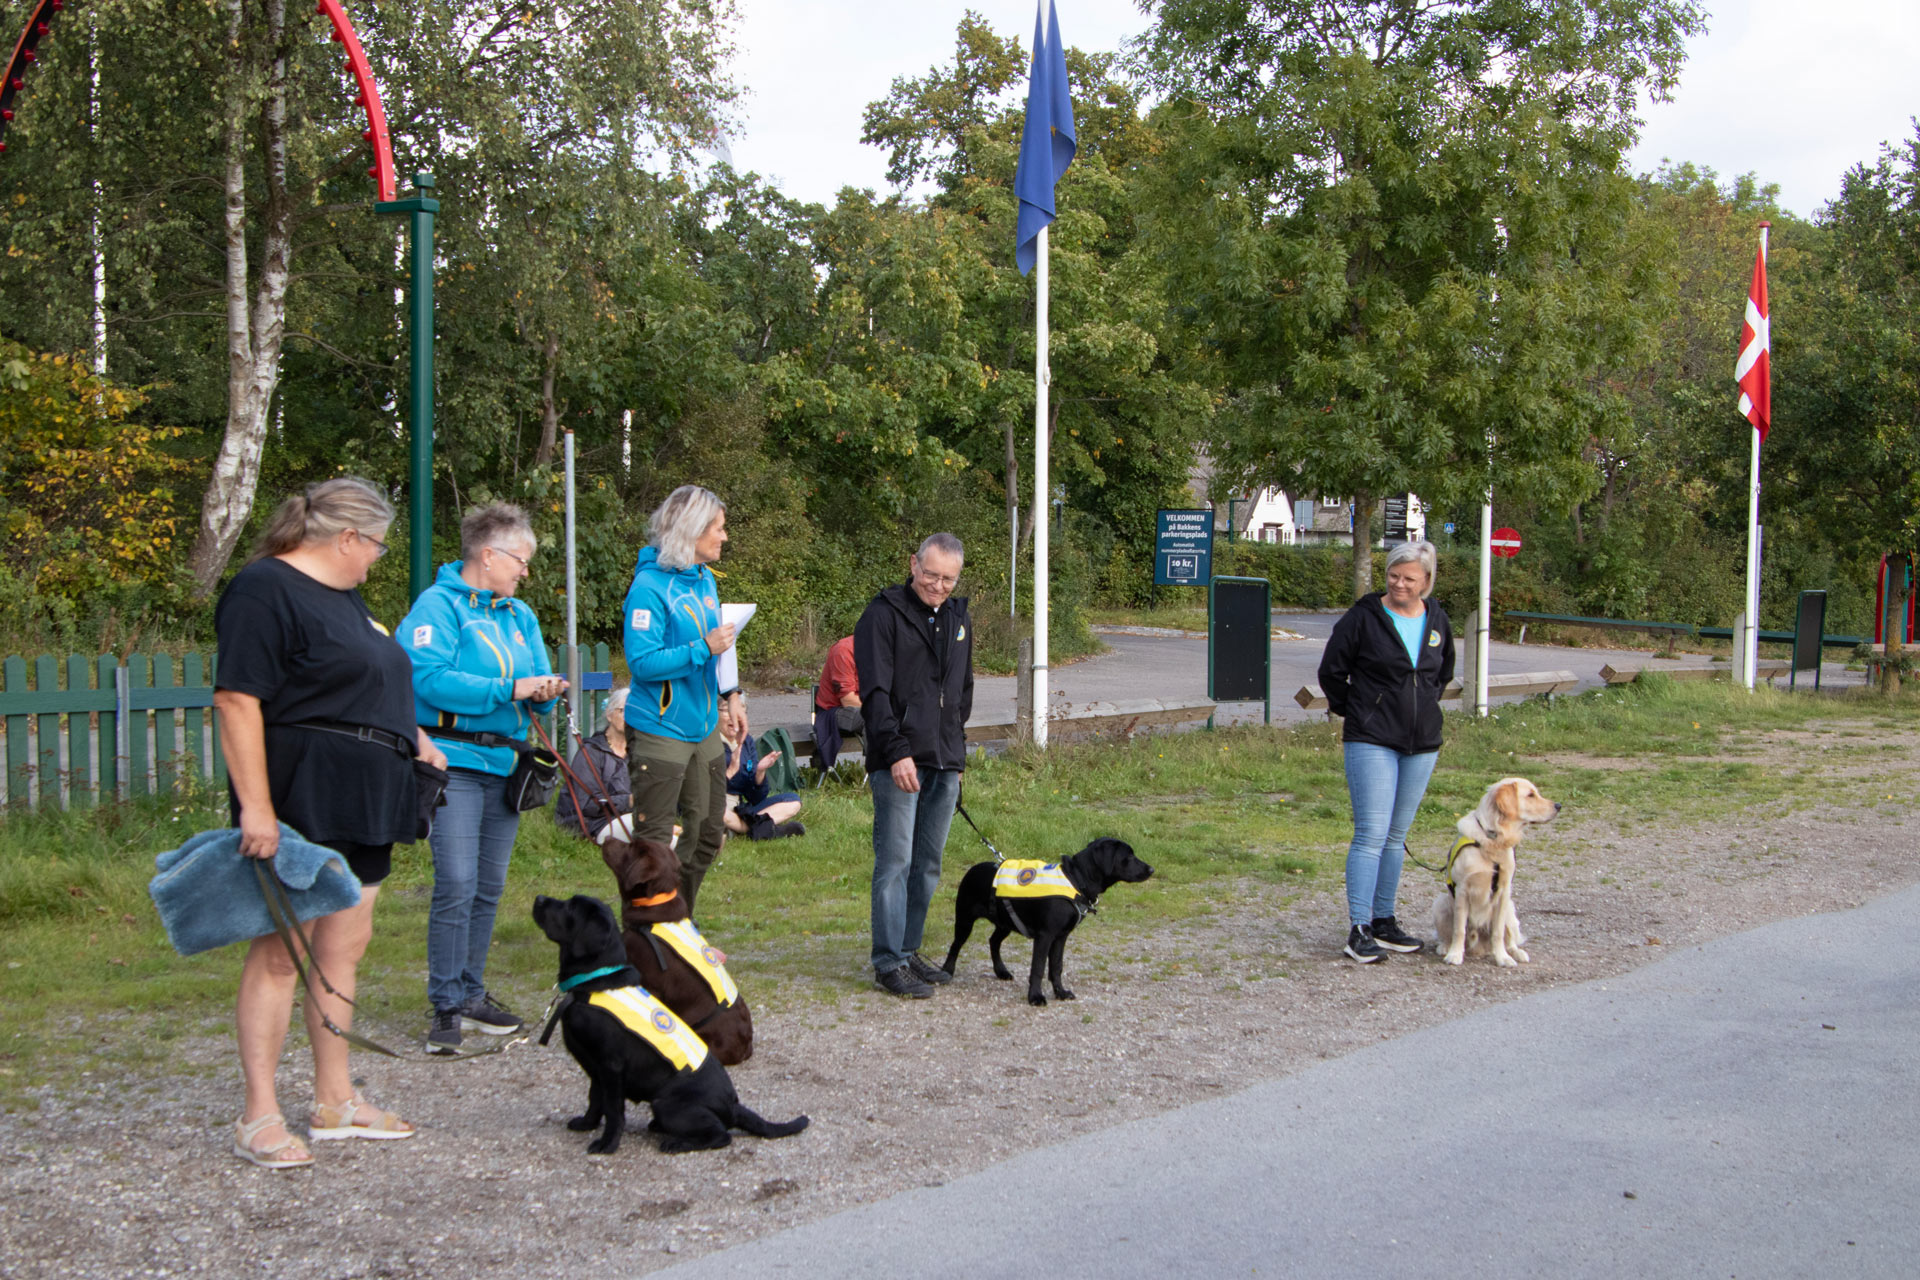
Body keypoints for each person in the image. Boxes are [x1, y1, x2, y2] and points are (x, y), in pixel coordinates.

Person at [213, 477, 449, 1169]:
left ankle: (334, 1100)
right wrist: (256, 807)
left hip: (369, 792)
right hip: (300, 791)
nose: (377, 558)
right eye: (375, 544)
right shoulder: (263, 590)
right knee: (282, 951)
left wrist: (413, 735)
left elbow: (366, 679)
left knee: (345, 946)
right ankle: (258, 1114)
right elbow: (236, 701)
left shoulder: (348, 600)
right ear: (347, 537)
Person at [399, 503, 564, 1054]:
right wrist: (512, 689)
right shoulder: (437, 607)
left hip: (508, 764)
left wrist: (543, 691)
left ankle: (471, 992)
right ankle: (445, 1004)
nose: (525, 572)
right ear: (488, 555)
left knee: (489, 888)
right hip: (454, 765)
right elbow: (428, 680)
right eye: (520, 560)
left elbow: (532, 675)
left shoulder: (520, 615)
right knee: (457, 883)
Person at [1316, 538, 1454, 964]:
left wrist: (1423, 708)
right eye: (1394, 576)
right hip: (1371, 739)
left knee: (1396, 837)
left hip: (1421, 742)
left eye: (1409, 578)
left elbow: (1442, 673)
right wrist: (1360, 710)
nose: (1399, 584)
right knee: (1371, 835)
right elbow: (1331, 672)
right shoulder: (1364, 617)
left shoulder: (1437, 619)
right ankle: (1358, 928)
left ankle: (1383, 920)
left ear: (1426, 581)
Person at [854, 532, 973, 998]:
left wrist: (957, 754)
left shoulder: (960, 619)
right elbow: (875, 695)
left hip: (945, 760)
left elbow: (962, 692)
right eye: (930, 575)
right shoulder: (881, 616)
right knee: (896, 862)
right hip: (898, 759)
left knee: (928, 865)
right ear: (913, 564)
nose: (938, 586)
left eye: (948, 579)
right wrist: (897, 751)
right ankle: (888, 961)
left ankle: (907, 949)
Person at [621, 484, 738, 913]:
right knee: (653, 848)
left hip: (703, 725)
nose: (724, 537)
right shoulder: (649, 588)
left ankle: (676, 922)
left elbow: (722, 644)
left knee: (708, 832)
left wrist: (733, 694)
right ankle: (645, 935)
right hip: (661, 728)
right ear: (691, 531)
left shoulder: (704, 579)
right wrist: (701, 649)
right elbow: (643, 663)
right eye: (719, 529)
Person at [556, 686, 636, 844]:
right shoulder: (590, 752)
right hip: (592, 823)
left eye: (635, 712)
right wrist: (629, 801)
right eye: (623, 710)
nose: (630, 717)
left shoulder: (640, 751)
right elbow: (586, 804)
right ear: (609, 714)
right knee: (653, 833)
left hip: (631, 818)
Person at [719, 695, 805, 840]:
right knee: (718, 812)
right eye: (728, 711)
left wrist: (760, 772)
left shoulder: (746, 741)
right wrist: (731, 771)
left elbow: (755, 798)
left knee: (792, 800)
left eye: (741, 711)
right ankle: (764, 830)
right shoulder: (707, 742)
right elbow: (700, 790)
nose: (735, 717)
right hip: (715, 802)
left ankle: (743, 828)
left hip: (740, 809)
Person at [811, 634, 862, 772]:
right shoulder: (844, 650)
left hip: (865, 706)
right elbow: (848, 700)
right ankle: (881, 770)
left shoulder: (884, 649)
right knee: (876, 715)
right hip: (834, 712)